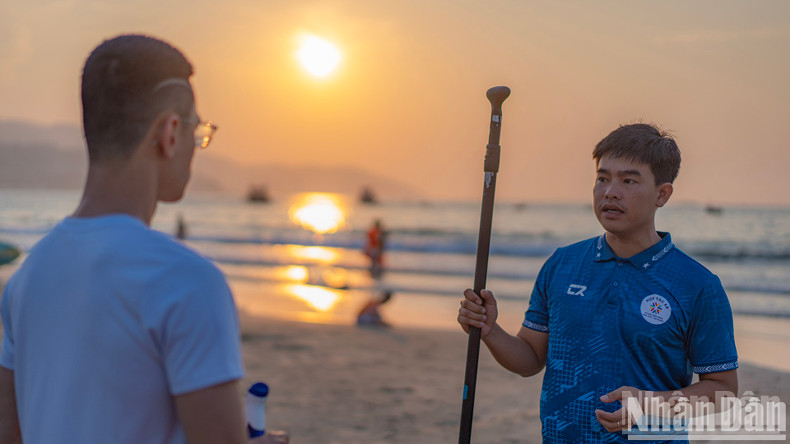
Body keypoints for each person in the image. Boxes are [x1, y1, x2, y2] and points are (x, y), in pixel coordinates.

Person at [0, 35, 287, 444]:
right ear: (169, 132)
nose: (196, 144)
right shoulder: (187, 282)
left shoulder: (28, 277)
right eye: (197, 130)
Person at [458, 123, 738, 442]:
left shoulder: (697, 284)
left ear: (662, 194)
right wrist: (490, 330)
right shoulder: (562, 265)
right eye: (602, 178)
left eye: (628, 180)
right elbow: (530, 359)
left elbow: (722, 390)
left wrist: (652, 405)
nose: (610, 192)